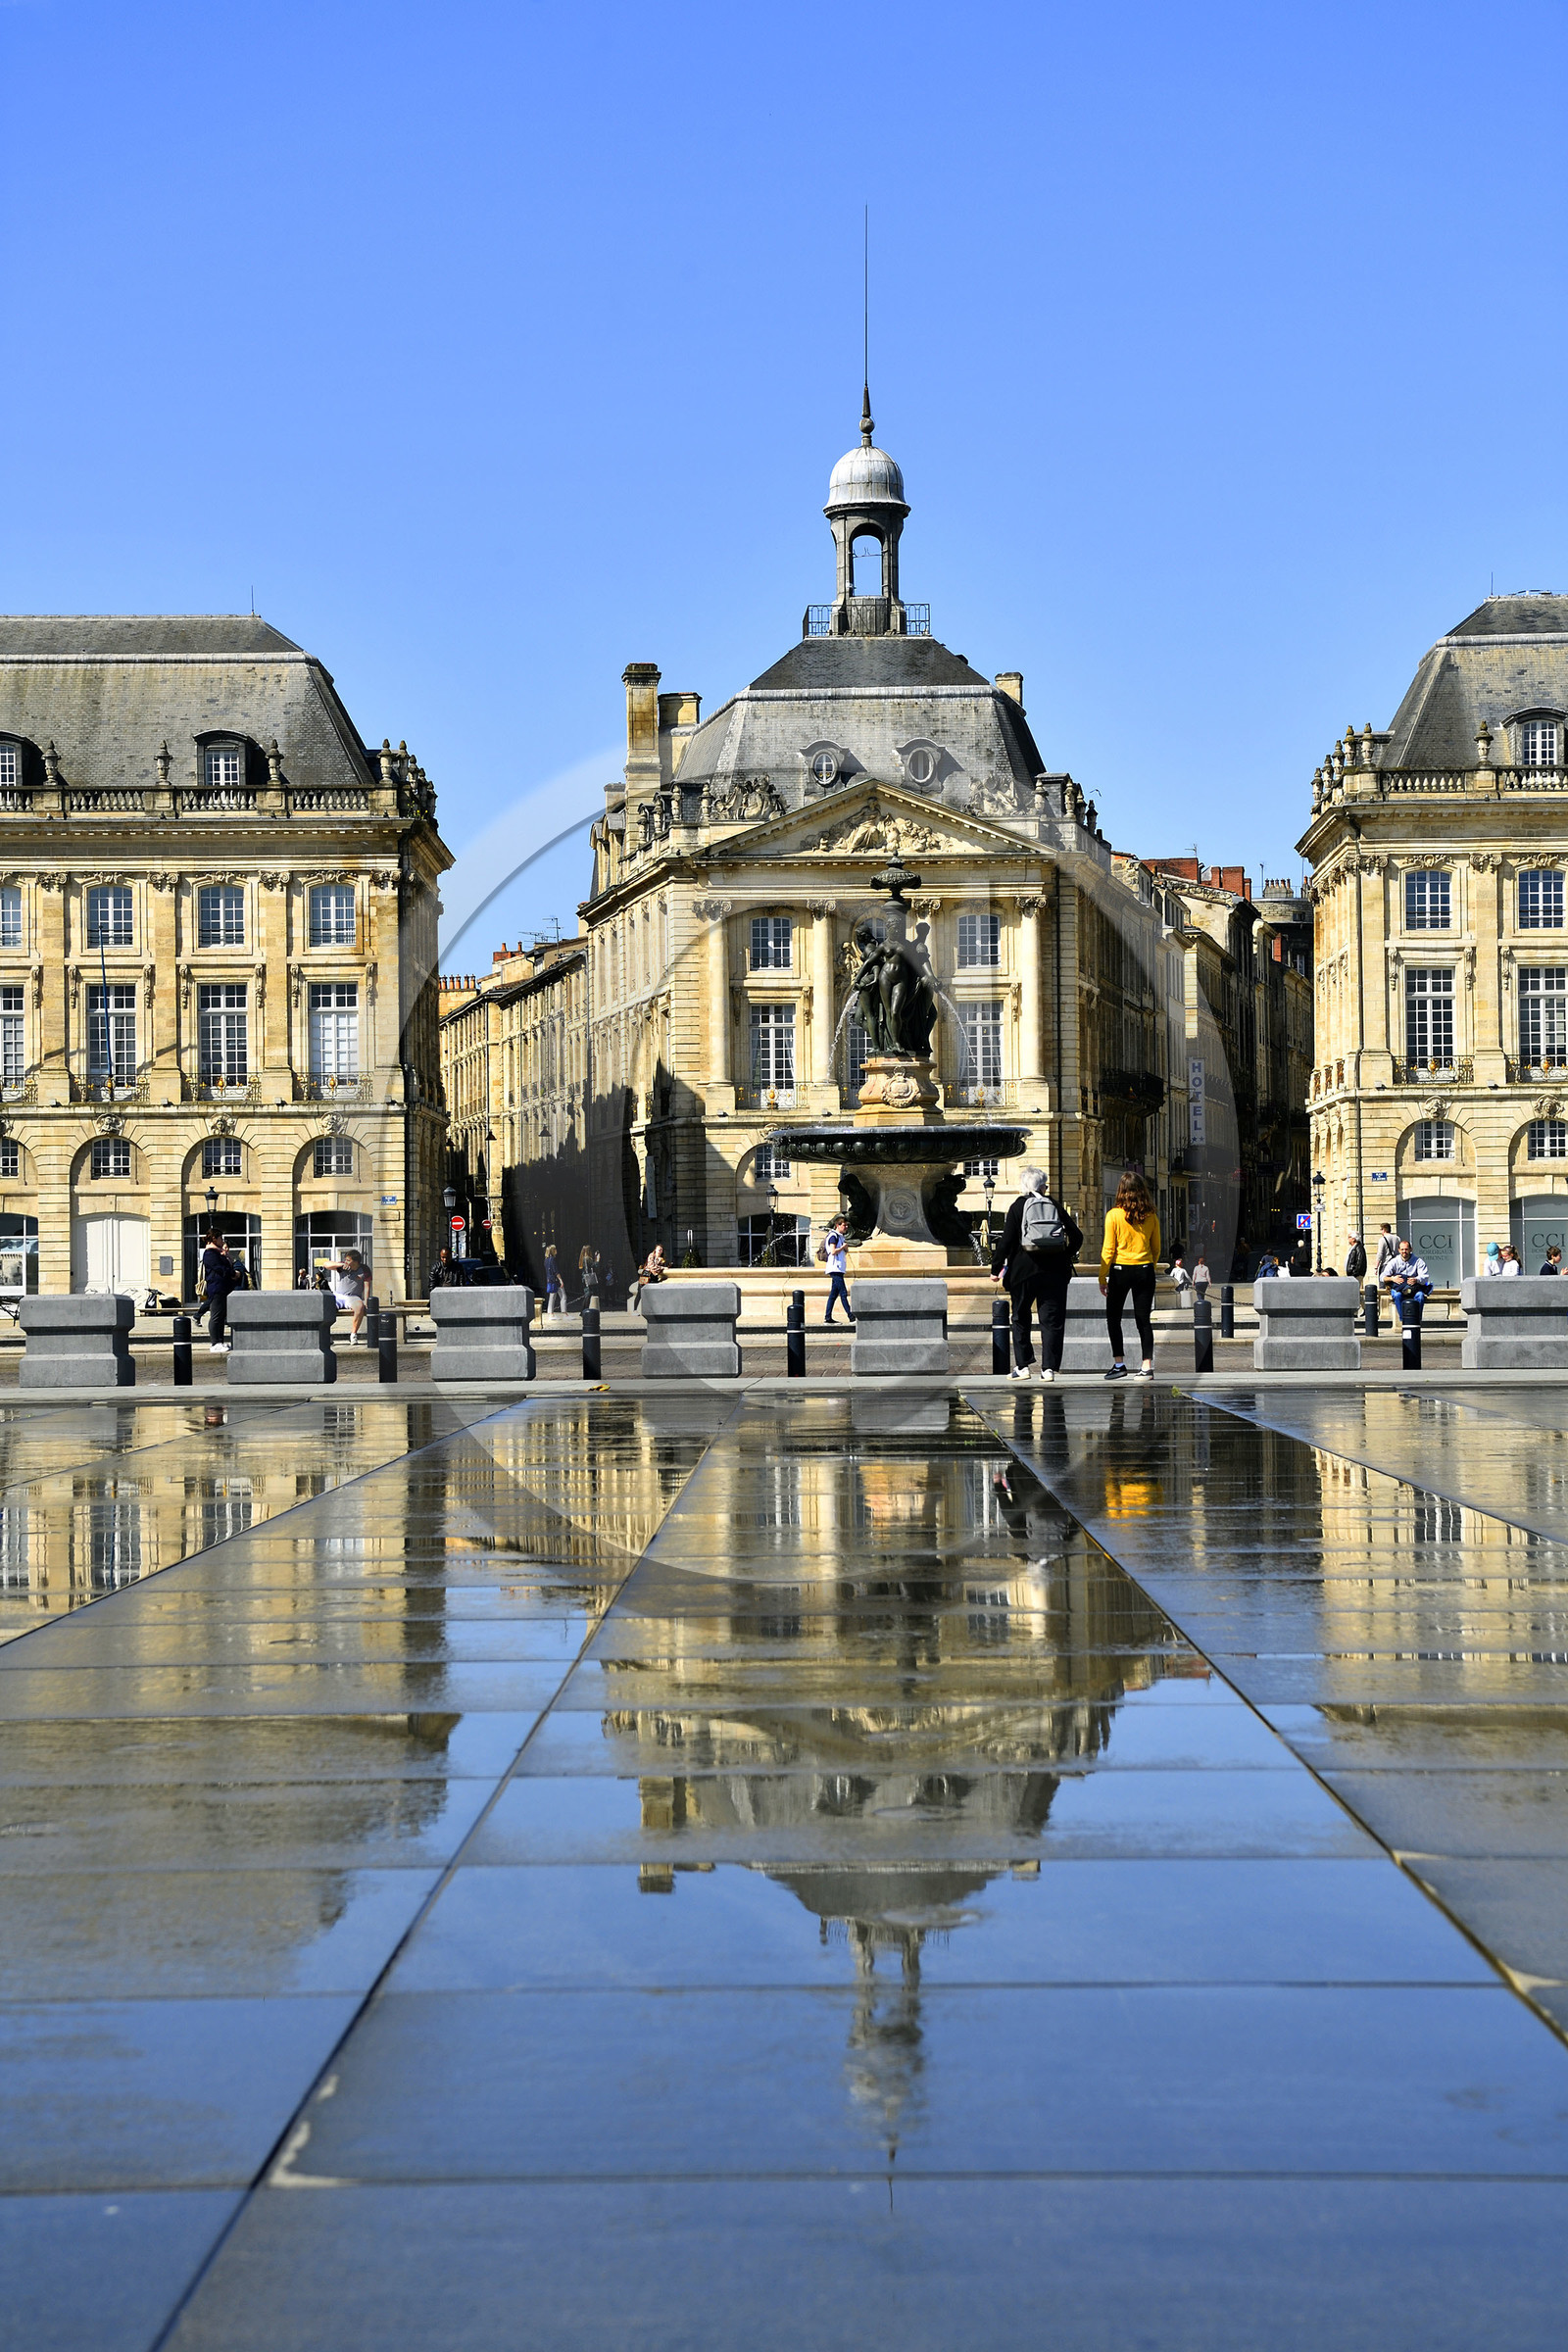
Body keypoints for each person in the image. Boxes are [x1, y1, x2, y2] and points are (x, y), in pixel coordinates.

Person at [993, 1168, 1082, 1382]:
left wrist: (995, 1269)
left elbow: (1006, 1241)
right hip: (1054, 1272)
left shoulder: (1017, 1206)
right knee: (1052, 1320)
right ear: (1042, 1187)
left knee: (1020, 1317)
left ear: (1024, 1187)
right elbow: (1077, 1236)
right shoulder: (1054, 1205)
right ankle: (1048, 1369)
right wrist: (1064, 1255)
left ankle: (1023, 1366)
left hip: (1023, 1272)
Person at [1099, 1171, 1159, 1381]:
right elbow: (1156, 1248)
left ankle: (1119, 1364)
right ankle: (1146, 1366)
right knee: (1143, 1320)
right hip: (1144, 1270)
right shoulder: (1151, 1216)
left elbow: (1108, 1249)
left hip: (1120, 1271)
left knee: (1113, 1318)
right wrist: (1148, 1265)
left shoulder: (1113, 1215)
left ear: (1121, 1191)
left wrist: (1102, 1277)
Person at [198, 1230, 238, 1353]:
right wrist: (233, 1273)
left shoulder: (218, 1252)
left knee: (220, 1316)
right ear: (214, 1239)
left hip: (223, 1288)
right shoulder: (210, 1253)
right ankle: (215, 1342)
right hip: (216, 1288)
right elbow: (219, 1268)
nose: (222, 1241)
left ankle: (220, 1341)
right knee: (216, 1316)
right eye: (221, 1238)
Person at [1382, 1238, 1431, 1326]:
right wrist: (1392, 1278)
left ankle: (1417, 1320)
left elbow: (1425, 1277)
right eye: (1402, 1249)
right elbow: (1382, 1277)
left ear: (1411, 1249)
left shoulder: (1418, 1262)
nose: (1404, 1251)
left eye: (1406, 1249)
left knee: (1420, 1296)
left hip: (1414, 1288)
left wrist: (1416, 1279)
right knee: (1397, 1295)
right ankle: (1404, 1320)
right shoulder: (1394, 1262)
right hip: (1399, 1288)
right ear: (1399, 1250)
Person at [326, 1247, 370, 1342]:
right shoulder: (342, 1266)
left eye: (348, 1260)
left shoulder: (364, 1270)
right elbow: (326, 1264)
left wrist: (366, 1302)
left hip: (353, 1297)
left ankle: (353, 1334)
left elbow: (367, 1287)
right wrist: (340, 1264)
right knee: (327, 1306)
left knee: (359, 1307)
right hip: (339, 1295)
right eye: (345, 1260)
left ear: (356, 1262)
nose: (346, 1262)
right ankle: (326, 1335)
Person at [819, 1214, 855, 1326]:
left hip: (839, 1268)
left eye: (846, 1225)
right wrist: (842, 1247)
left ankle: (828, 1318)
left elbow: (841, 1252)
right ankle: (851, 1317)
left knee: (833, 1294)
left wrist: (845, 1248)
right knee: (843, 1293)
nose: (846, 1227)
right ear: (837, 1225)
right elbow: (833, 1251)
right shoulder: (833, 1236)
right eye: (844, 1225)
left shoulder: (840, 1236)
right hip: (835, 1268)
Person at [543, 1243, 565, 1315]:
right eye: (555, 1249)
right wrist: (561, 1280)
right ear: (553, 1250)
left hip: (550, 1280)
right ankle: (564, 1313)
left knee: (552, 1297)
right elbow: (556, 1271)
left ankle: (550, 1313)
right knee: (563, 1296)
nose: (556, 1250)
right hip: (556, 1281)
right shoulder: (553, 1259)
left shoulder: (546, 1260)